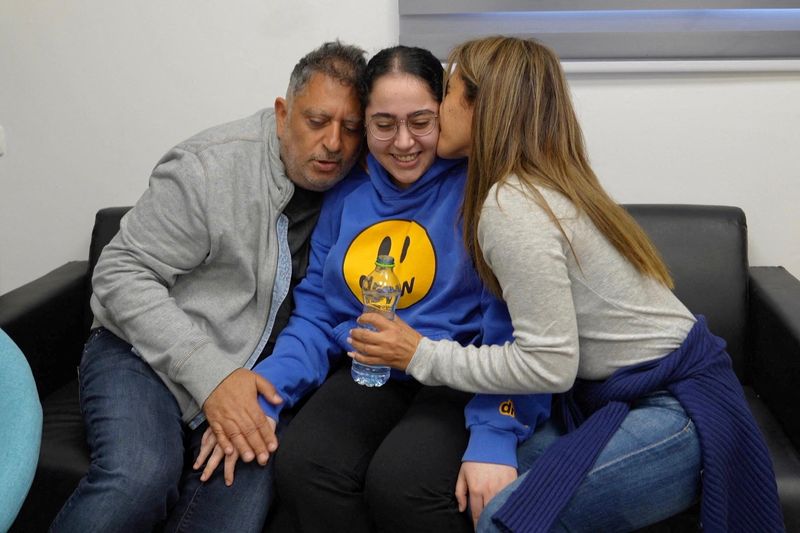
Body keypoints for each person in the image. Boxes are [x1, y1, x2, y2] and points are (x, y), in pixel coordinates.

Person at [349, 36, 784, 533]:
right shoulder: (538, 182)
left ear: (481, 106)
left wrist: (419, 354)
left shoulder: (513, 208)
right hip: (631, 395)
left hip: (679, 408)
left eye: (448, 92)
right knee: (459, 487)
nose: (438, 107)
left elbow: (550, 365)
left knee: (505, 519)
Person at [195, 45, 550, 532]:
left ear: (447, 112)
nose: (403, 142)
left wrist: (495, 433)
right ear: (364, 124)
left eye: (421, 121)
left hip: (462, 376)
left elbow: (514, 336)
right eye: (383, 125)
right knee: (303, 464)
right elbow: (318, 314)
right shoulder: (345, 193)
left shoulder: (486, 193)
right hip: (370, 371)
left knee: (402, 481)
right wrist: (266, 393)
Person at [50, 41, 367, 533]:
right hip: (141, 356)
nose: (334, 144)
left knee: (231, 517)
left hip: (255, 381)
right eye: (317, 121)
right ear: (284, 113)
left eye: (351, 128)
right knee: (141, 475)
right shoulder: (210, 166)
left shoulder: (360, 188)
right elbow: (119, 271)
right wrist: (213, 375)